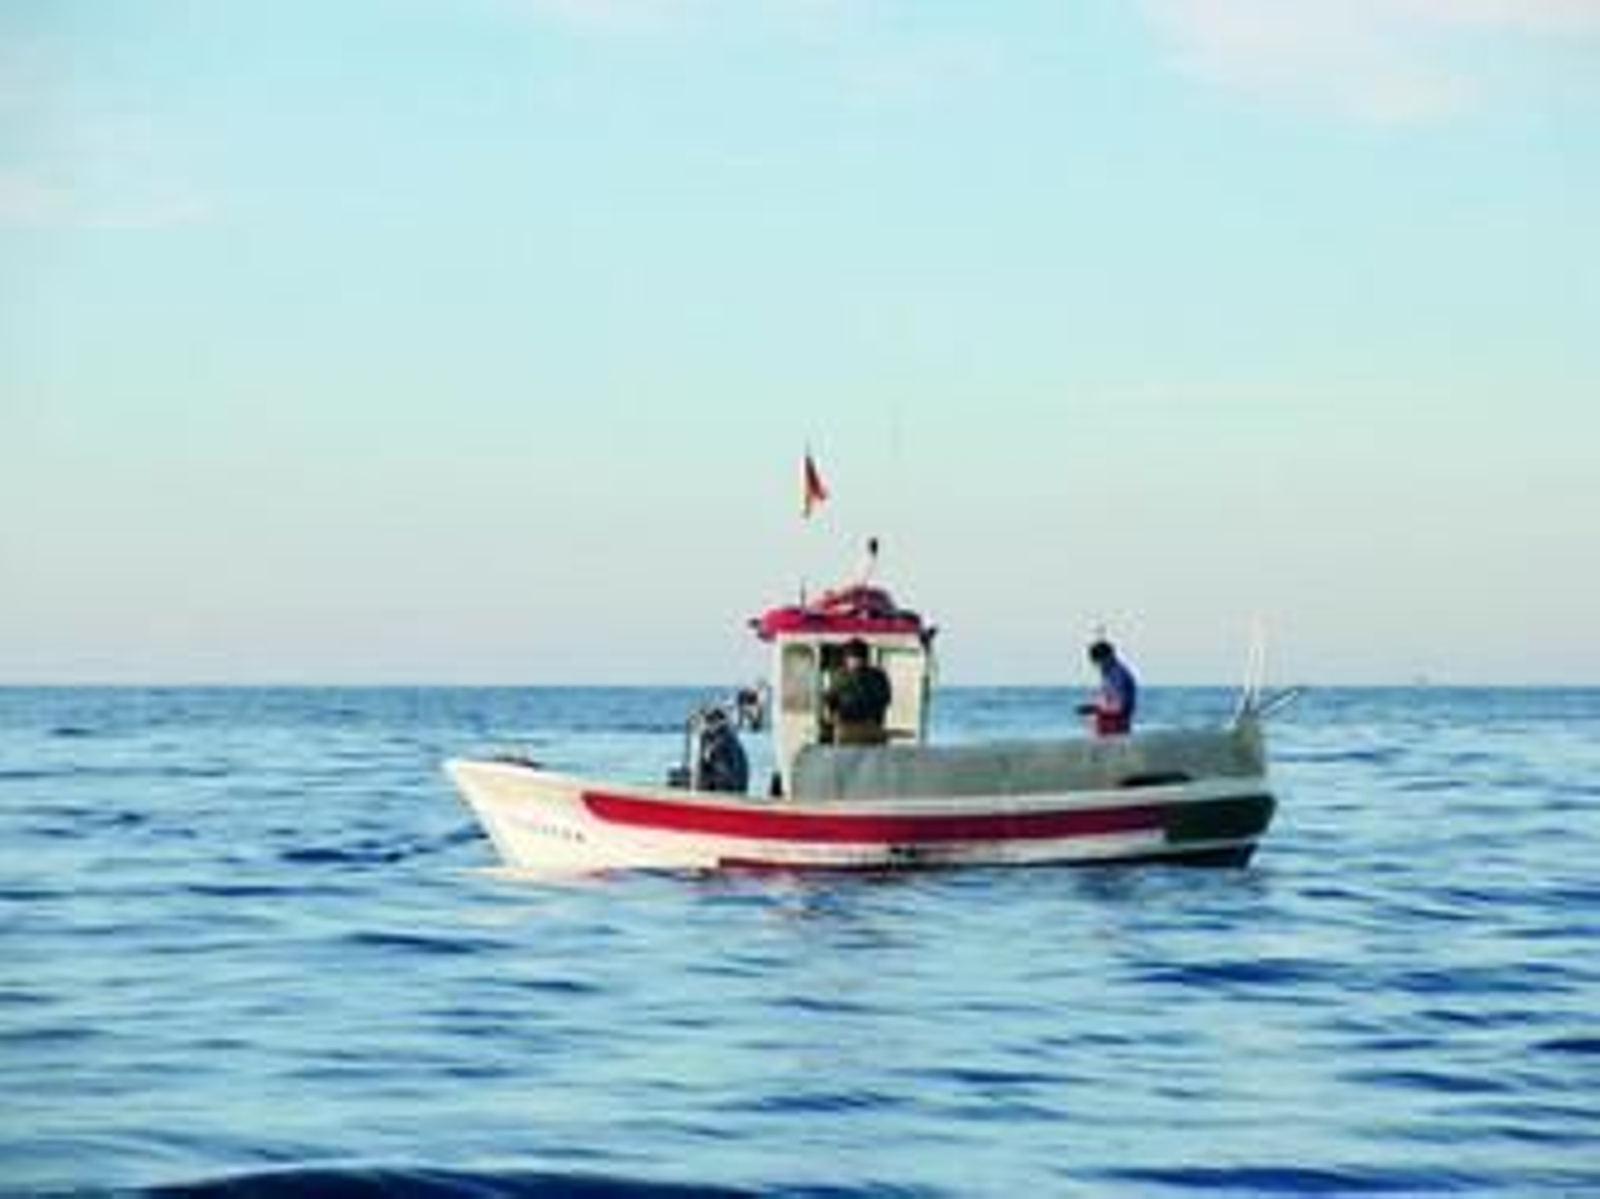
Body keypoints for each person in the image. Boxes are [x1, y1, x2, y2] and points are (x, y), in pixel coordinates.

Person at [824, 637, 893, 745]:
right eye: (851, 658)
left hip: (870, 727)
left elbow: (885, 699)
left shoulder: (876, 676)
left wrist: (872, 715)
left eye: (857, 658)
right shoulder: (839, 677)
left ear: (864, 659)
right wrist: (833, 716)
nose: (854, 661)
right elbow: (830, 699)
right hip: (846, 727)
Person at [1076, 638, 1138, 736]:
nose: (1098, 666)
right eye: (1095, 663)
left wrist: (1094, 708)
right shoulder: (1109, 672)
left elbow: (1120, 704)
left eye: (1098, 661)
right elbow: (1108, 698)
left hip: (1116, 721)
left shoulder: (1118, 674)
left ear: (1108, 656)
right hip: (1111, 719)